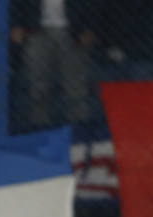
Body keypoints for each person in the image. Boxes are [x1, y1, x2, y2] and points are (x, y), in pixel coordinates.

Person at [11, 0, 98, 128]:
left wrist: (89, 28)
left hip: (73, 31)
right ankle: (39, 126)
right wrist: (17, 24)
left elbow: (92, 5)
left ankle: (79, 126)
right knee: (38, 83)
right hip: (36, 31)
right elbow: (17, 4)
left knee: (75, 84)